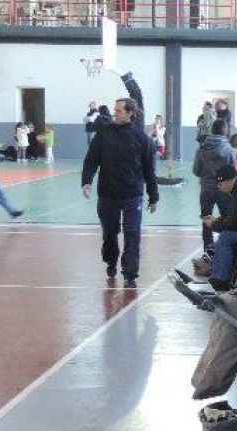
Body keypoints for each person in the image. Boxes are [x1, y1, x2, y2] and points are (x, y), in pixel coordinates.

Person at [81, 97, 159, 288]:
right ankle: (110, 262)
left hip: (133, 195)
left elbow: (150, 171)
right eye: (114, 110)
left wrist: (153, 196)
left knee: (132, 233)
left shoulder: (143, 140)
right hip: (107, 194)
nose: (114, 113)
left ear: (130, 114)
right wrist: (86, 181)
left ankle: (130, 273)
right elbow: (91, 159)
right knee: (109, 233)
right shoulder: (104, 134)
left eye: (118, 111)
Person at [191, 118, 235, 266]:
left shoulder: (202, 148)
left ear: (211, 131)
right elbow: (234, 172)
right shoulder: (229, 149)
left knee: (206, 222)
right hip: (224, 191)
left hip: (206, 190)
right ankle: (226, 254)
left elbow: (196, 171)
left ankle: (207, 256)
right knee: (227, 221)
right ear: (225, 132)